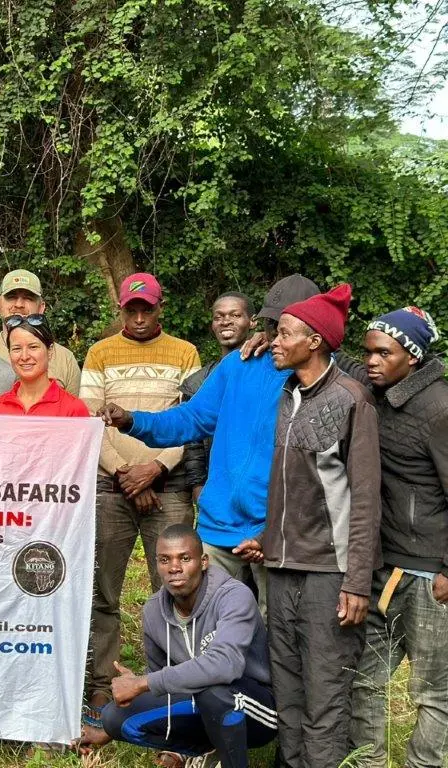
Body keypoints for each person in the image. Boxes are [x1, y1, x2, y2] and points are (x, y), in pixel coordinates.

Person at [102, 275, 323, 621]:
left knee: (276, 631)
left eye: (285, 329)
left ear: (313, 334)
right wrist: (133, 420)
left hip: (277, 532)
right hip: (219, 528)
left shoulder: (324, 384)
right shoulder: (239, 365)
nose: (276, 336)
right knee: (207, 625)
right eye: (272, 326)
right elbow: (191, 418)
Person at [256, 284, 380, 768]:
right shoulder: (289, 395)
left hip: (329, 575)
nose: (274, 341)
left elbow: (366, 501)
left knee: (324, 700)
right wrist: (267, 542)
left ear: (314, 341)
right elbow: (298, 490)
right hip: (282, 568)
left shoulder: (353, 401)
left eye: (284, 333)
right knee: (287, 694)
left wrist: (356, 582)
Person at [79, 272, 200, 718]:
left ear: (159, 307)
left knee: (174, 588)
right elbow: (91, 420)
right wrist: (127, 473)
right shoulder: (100, 353)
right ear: (121, 310)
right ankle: (102, 683)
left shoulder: (185, 352)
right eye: (131, 309)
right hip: (112, 488)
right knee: (102, 590)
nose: (140, 316)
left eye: (147, 308)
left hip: (167, 487)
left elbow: (192, 419)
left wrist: (155, 469)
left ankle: (171, 686)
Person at [85, 525, 276, 768]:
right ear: (156, 564)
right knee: (114, 718)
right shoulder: (153, 611)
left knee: (213, 690)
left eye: (185, 558)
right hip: (202, 703)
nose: (174, 568)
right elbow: (162, 685)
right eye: (165, 560)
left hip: (255, 707)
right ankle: (202, 751)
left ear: (203, 561)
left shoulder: (233, 596)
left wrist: (142, 683)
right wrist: (111, 729)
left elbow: (226, 664)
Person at [350, 307, 448, 768]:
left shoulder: (439, 408)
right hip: (383, 567)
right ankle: (367, 762)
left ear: (412, 356)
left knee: (434, 690)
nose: (371, 360)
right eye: (367, 351)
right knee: (364, 679)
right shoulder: (377, 395)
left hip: (430, 576)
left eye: (383, 352)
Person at [180, 293, 254, 504]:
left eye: (235, 315)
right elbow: (192, 442)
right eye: (218, 316)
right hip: (216, 483)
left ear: (252, 320)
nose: (226, 321)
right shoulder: (198, 382)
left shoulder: (270, 370)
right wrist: (197, 485)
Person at [0, 269, 81, 395]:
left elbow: (76, 411)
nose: (19, 304)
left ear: (41, 307)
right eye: (11, 297)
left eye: (28, 298)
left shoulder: (65, 358)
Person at [0, 314, 88, 417]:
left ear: (50, 351)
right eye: (17, 349)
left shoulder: (73, 409)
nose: (24, 356)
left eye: (33, 347)